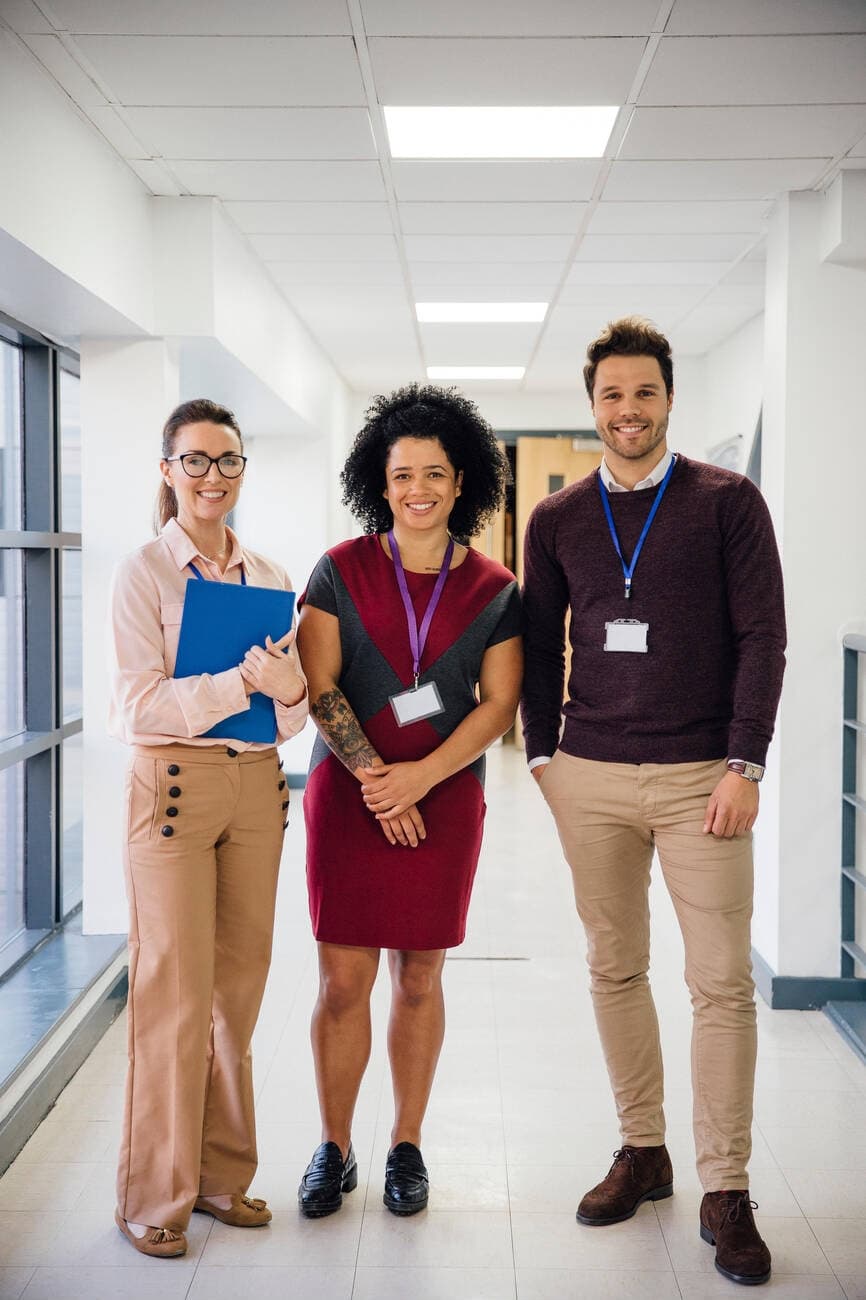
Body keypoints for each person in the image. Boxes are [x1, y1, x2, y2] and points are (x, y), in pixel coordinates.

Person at [520, 318, 786, 1288]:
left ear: (666, 398)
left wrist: (741, 763)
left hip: (697, 779)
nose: (625, 410)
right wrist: (541, 760)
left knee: (717, 981)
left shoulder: (726, 503)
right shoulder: (553, 521)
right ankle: (644, 1150)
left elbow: (763, 636)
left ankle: (724, 1187)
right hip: (588, 772)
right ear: (589, 407)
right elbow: (533, 638)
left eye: (641, 393)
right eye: (608, 396)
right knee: (612, 966)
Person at [295, 384, 522, 1218]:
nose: (417, 488)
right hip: (350, 795)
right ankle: (333, 1146)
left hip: (446, 795)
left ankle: (405, 1145)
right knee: (342, 983)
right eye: (401, 475)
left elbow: (498, 705)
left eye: (434, 473)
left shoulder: (496, 588)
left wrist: (420, 779)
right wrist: (377, 783)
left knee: (420, 979)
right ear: (378, 482)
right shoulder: (339, 569)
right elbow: (320, 687)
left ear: (461, 482)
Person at [108, 398, 308, 1257]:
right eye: (195, 461)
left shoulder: (267, 575)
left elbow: (292, 718)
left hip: (256, 790)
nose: (213, 477)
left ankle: (223, 1180)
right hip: (176, 795)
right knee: (173, 998)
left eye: (227, 461)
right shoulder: (144, 574)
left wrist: (288, 685)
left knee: (236, 995)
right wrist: (239, 682)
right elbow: (136, 707)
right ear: (167, 470)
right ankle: (154, 1195)